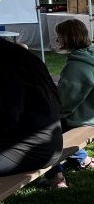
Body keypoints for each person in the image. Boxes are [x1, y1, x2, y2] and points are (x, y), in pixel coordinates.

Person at [47, 19, 94, 187]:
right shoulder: (93, 57)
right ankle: (83, 160)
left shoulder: (76, 66)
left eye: (59, 37)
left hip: (86, 117)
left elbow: (64, 103)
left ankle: (56, 176)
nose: (57, 41)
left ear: (68, 38)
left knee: (41, 131)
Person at [0, 41, 64, 177]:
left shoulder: (6, 67)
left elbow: (7, 118)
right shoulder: (23, 57)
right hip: (46, 143)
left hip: (30, 149)